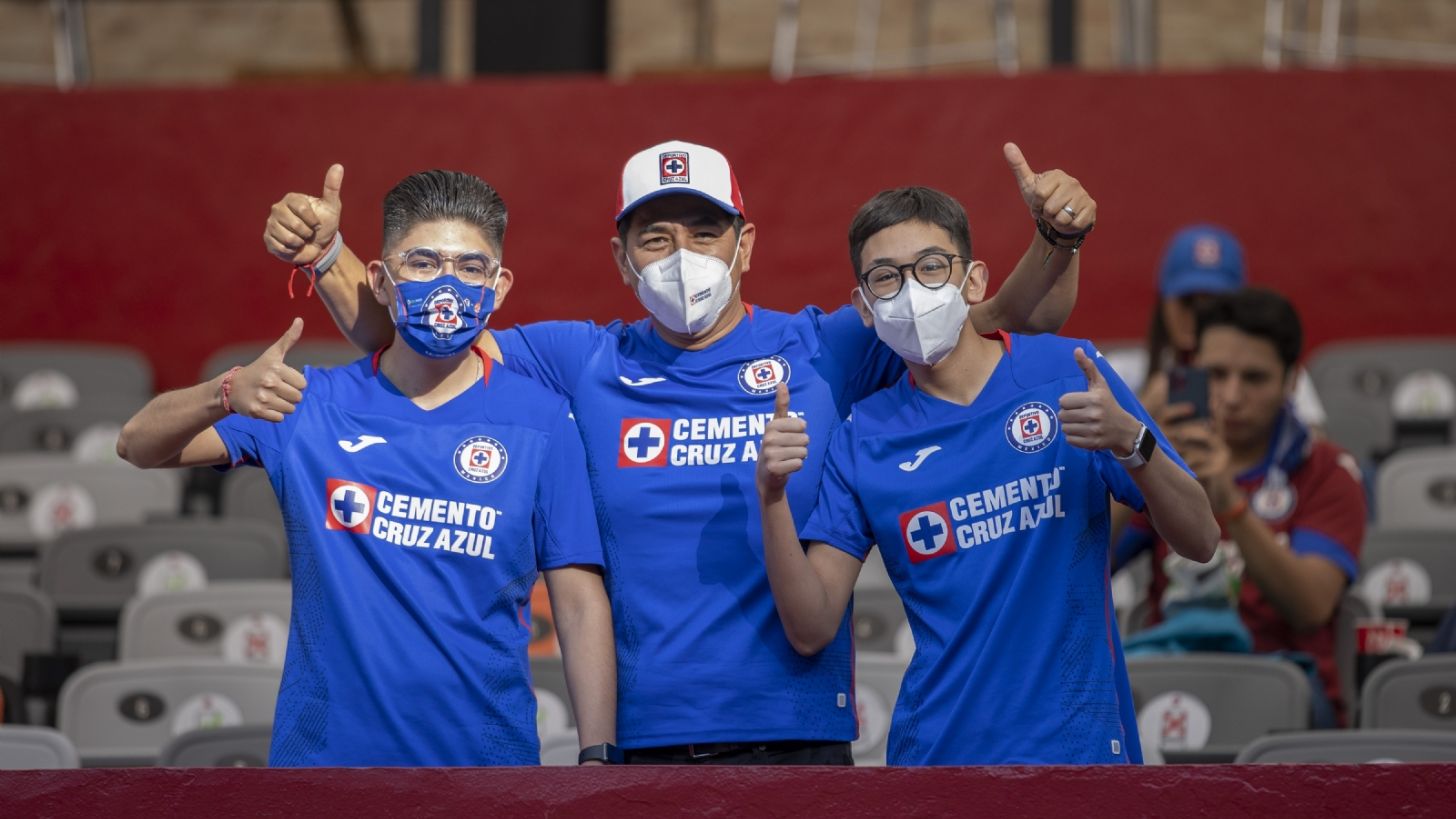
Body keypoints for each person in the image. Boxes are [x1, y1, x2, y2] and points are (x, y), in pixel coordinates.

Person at [261, 140, 1089, 764]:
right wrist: (330, 259)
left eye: (704, 230)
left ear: (745, 244)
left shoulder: (825, 346)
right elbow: (421, 336)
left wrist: (1056, 240)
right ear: (621, 257)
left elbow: (990, 321)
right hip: (646, 741)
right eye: (655, 237)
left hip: (796, 737)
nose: (683, 255)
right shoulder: (582, 358)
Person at [119, 170, 617, 766]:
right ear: (380, 280)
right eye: (423, 263)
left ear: (499, 286)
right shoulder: (308, 406)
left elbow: (578, 603)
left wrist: (598, 757)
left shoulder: (542, 421)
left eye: (470, 268)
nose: (447, 286)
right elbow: (137, 446)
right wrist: (222, 393)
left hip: (485, 773)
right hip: (323, 769)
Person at [755, 186, 1219, 765]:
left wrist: (1132, 441)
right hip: (938, 762)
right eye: (886, 278)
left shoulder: (1068, 373)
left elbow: (1201, 540)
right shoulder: (863, 436)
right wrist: (772, 498)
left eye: (931, 267)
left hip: (1082, 755)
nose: (911, 291)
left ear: (973, 281)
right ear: (865, 307)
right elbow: (811, 627)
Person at [1113, 288, 1367, 726]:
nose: (1231, 396)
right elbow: (1082, 559)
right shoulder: (1162, 460)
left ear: (1291, 380)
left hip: (1287, 693)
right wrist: (1136, 451)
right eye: (1215, 374)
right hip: (1171, 679)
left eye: (1254, 378)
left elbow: (1311, 608)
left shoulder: (1327, 470)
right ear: (1191, 371)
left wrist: (1228, 501)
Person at [1103, 224, 1326, 428]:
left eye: (1213, 304)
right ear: (1164, 303)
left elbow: (1313, 448)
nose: (1198, 316)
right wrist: (1141, 416)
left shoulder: (1274, 372)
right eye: (1187, 301)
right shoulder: (1122, 373)